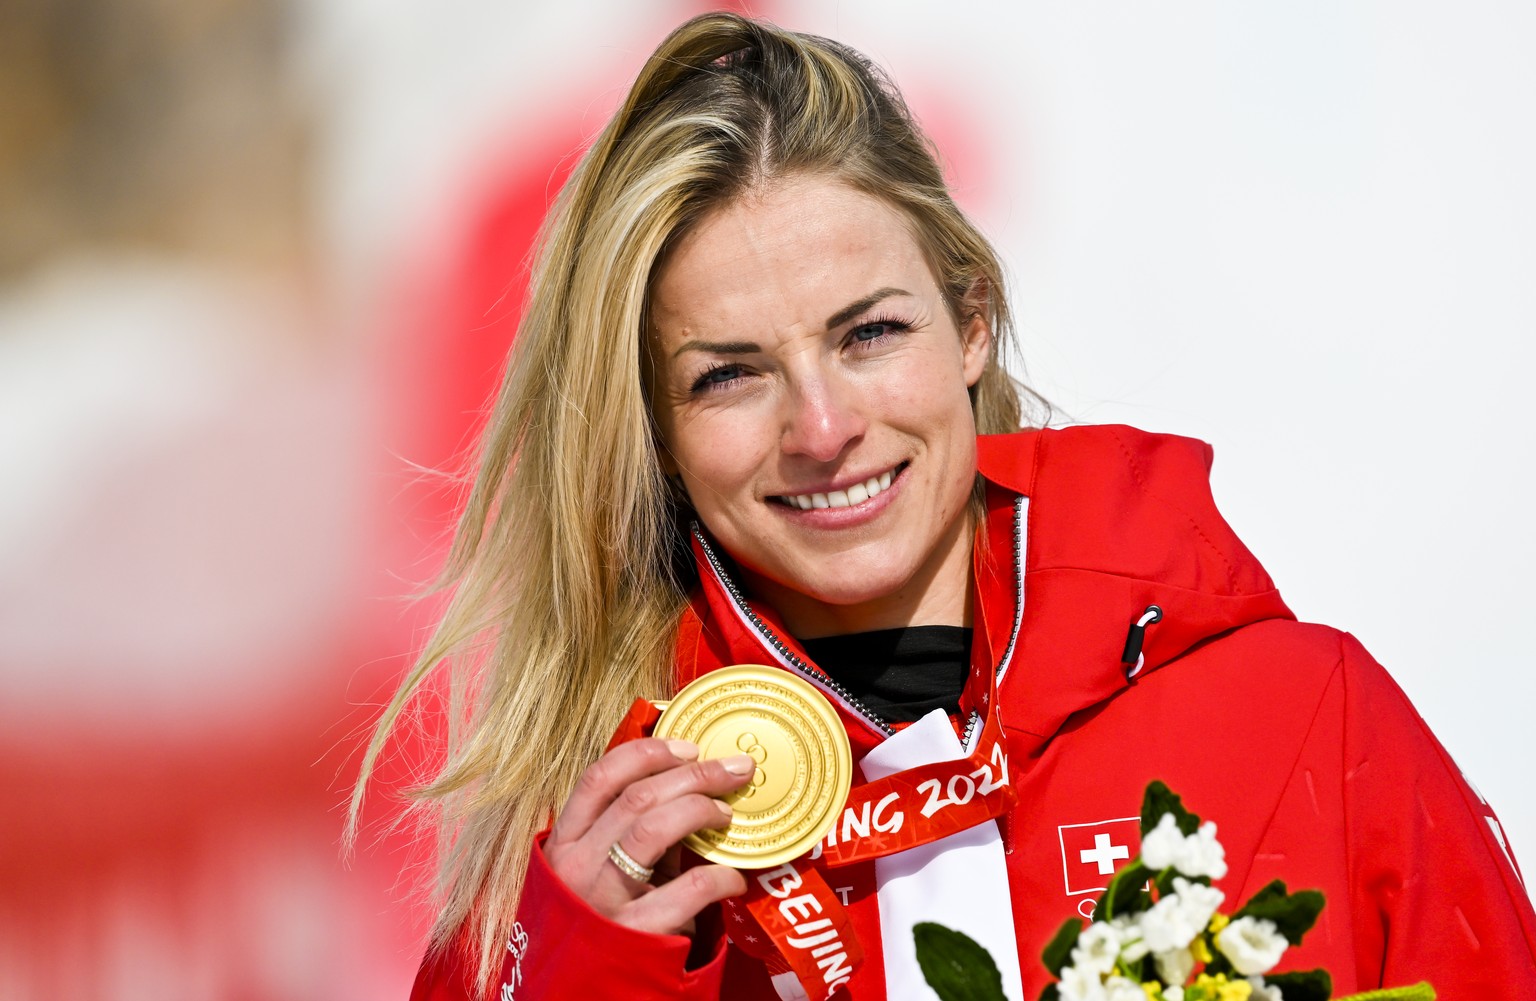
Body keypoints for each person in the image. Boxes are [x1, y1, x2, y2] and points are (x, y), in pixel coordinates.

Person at [354, 12, 1536, 1000]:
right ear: (653, 429)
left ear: (970, 321)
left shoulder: (1304, 726)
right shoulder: (590, 878)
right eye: (729, 373)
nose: (821, 427)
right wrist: (581, 968)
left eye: (870, 333)